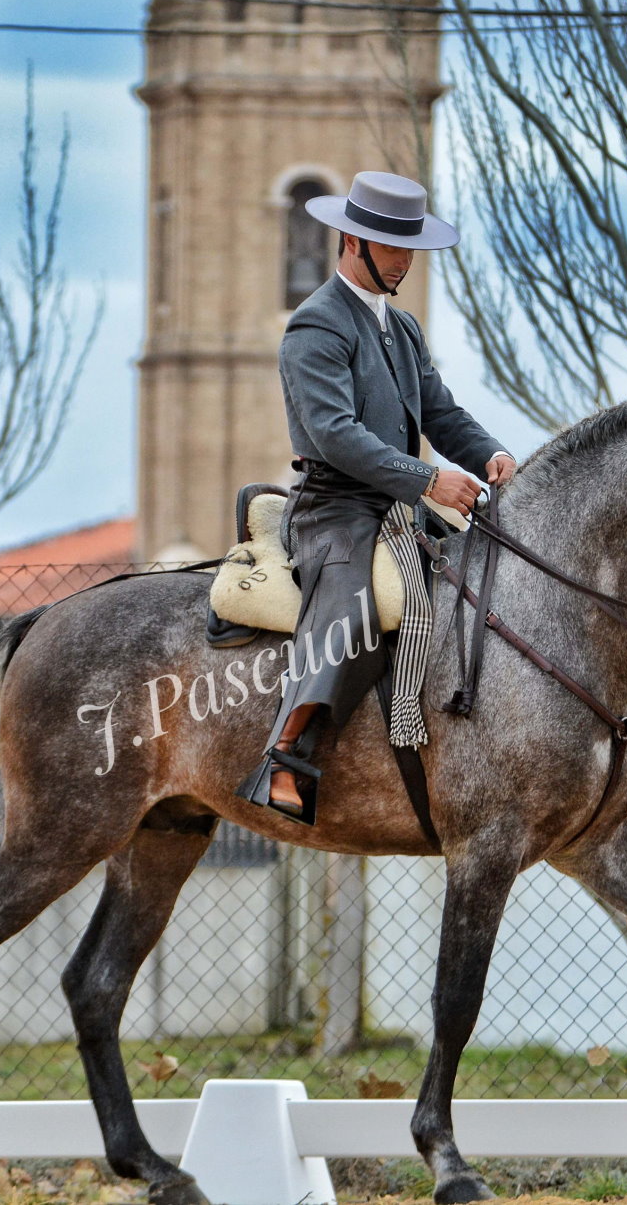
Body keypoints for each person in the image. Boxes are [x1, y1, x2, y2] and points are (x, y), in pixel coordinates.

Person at [236, 170, 515, 820]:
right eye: (391, 246)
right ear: (351, 241)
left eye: (409, 246)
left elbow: (441, 413)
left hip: (399, 508)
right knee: (352, 614)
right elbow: (334, 433)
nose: (403, 260)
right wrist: (429, 479)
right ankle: (288, 759)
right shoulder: (316, 325)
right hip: (333, 510)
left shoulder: (404, 327)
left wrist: (490, 454)